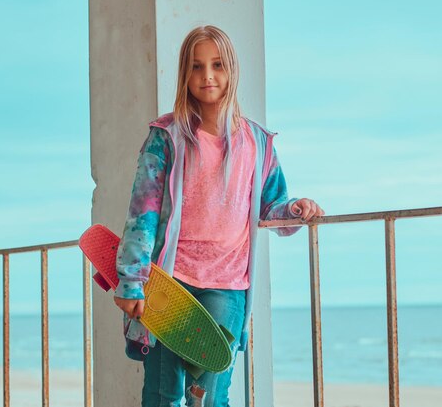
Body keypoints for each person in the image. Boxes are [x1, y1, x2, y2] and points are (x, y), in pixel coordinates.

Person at [112, 25, 324, 407]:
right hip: (168, 283)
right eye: (196, 66)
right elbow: (141, 213)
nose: (207, 76)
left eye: (217, 65)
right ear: (184, 74)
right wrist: (131, 282)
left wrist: (293, 210)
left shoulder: (257, 143)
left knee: (209, 398)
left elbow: (270, 207)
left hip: (225, 288)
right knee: (163, 394)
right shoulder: (166, 137)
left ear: (232, 70)